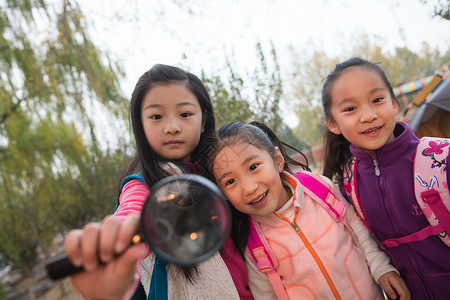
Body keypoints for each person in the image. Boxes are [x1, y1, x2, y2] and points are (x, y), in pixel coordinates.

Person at [64, 64, 252, 299]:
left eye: (185, 114)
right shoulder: (142, 185)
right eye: (156, 116)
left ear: (203, 120)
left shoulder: (223, 170)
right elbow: (130, 213)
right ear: (140, 126)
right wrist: (116, 237)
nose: (172, 127)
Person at [210, 121, 410, 300]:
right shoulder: (253, 244)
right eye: (230, 181)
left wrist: (381, 268)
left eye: (253, 167)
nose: (249, 187)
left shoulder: (318, 188)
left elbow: (357, 229)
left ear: (277, 160)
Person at [321, 57, 450, 299]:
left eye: (377, 100)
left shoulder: (442, 158)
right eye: (350, 108)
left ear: (394, 104)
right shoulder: (349, 185)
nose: (368, 115)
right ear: (333, 124)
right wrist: (383, 271)